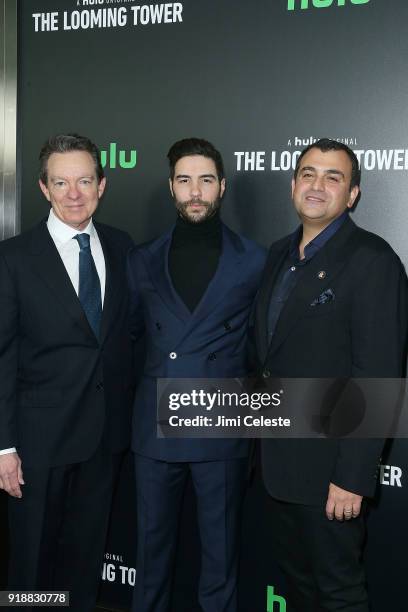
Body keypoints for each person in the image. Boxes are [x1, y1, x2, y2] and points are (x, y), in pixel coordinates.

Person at [253, 138, 408, 611]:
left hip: (330, 477)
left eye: (332, 177)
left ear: (353, 194)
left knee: (338, 595)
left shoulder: (373, 260)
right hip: (277, 467)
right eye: (308, 174)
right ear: (293, 184)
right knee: (299, 592)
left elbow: (378, 376)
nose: (316, 185)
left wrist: (353, 476)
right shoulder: (278, 253)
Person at [127, 137, 266, 612]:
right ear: (171, 187)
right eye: (185, 180)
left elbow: (259, 351)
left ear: (221, 186)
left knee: (219, 564)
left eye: (205, 180)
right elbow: (127, 343)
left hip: (221, 429)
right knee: (150, 562)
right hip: (153, 431)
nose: (195, 191)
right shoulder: (140, 259)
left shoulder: (253, 259)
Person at [0, 134, 135, 611]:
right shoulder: (13, 258)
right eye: (61, 182)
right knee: (32, 565)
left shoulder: (121, 247)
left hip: (103, 441)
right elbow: (2, 356)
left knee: (84, 563)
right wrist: (4, 446)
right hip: (38, 444)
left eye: (83, 181)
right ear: (44, 188)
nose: (73, 193)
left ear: (102, 185)